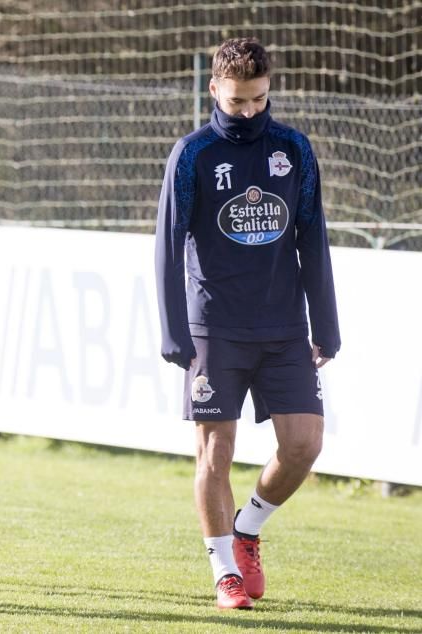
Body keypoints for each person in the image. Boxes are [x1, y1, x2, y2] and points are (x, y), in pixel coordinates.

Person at [155, 37, 340, 610]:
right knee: (216, 452)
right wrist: (172, 331)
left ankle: (249, 528)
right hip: (214, 327)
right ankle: (224, 571)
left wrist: (326, 323)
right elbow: (167, 245)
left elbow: (312, 237)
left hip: (285, 326)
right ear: (214, 90)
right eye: (238, 102)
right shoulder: (193, 154)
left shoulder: (293, 148)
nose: (250, 111)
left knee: (304, 444)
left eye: (259, 99)